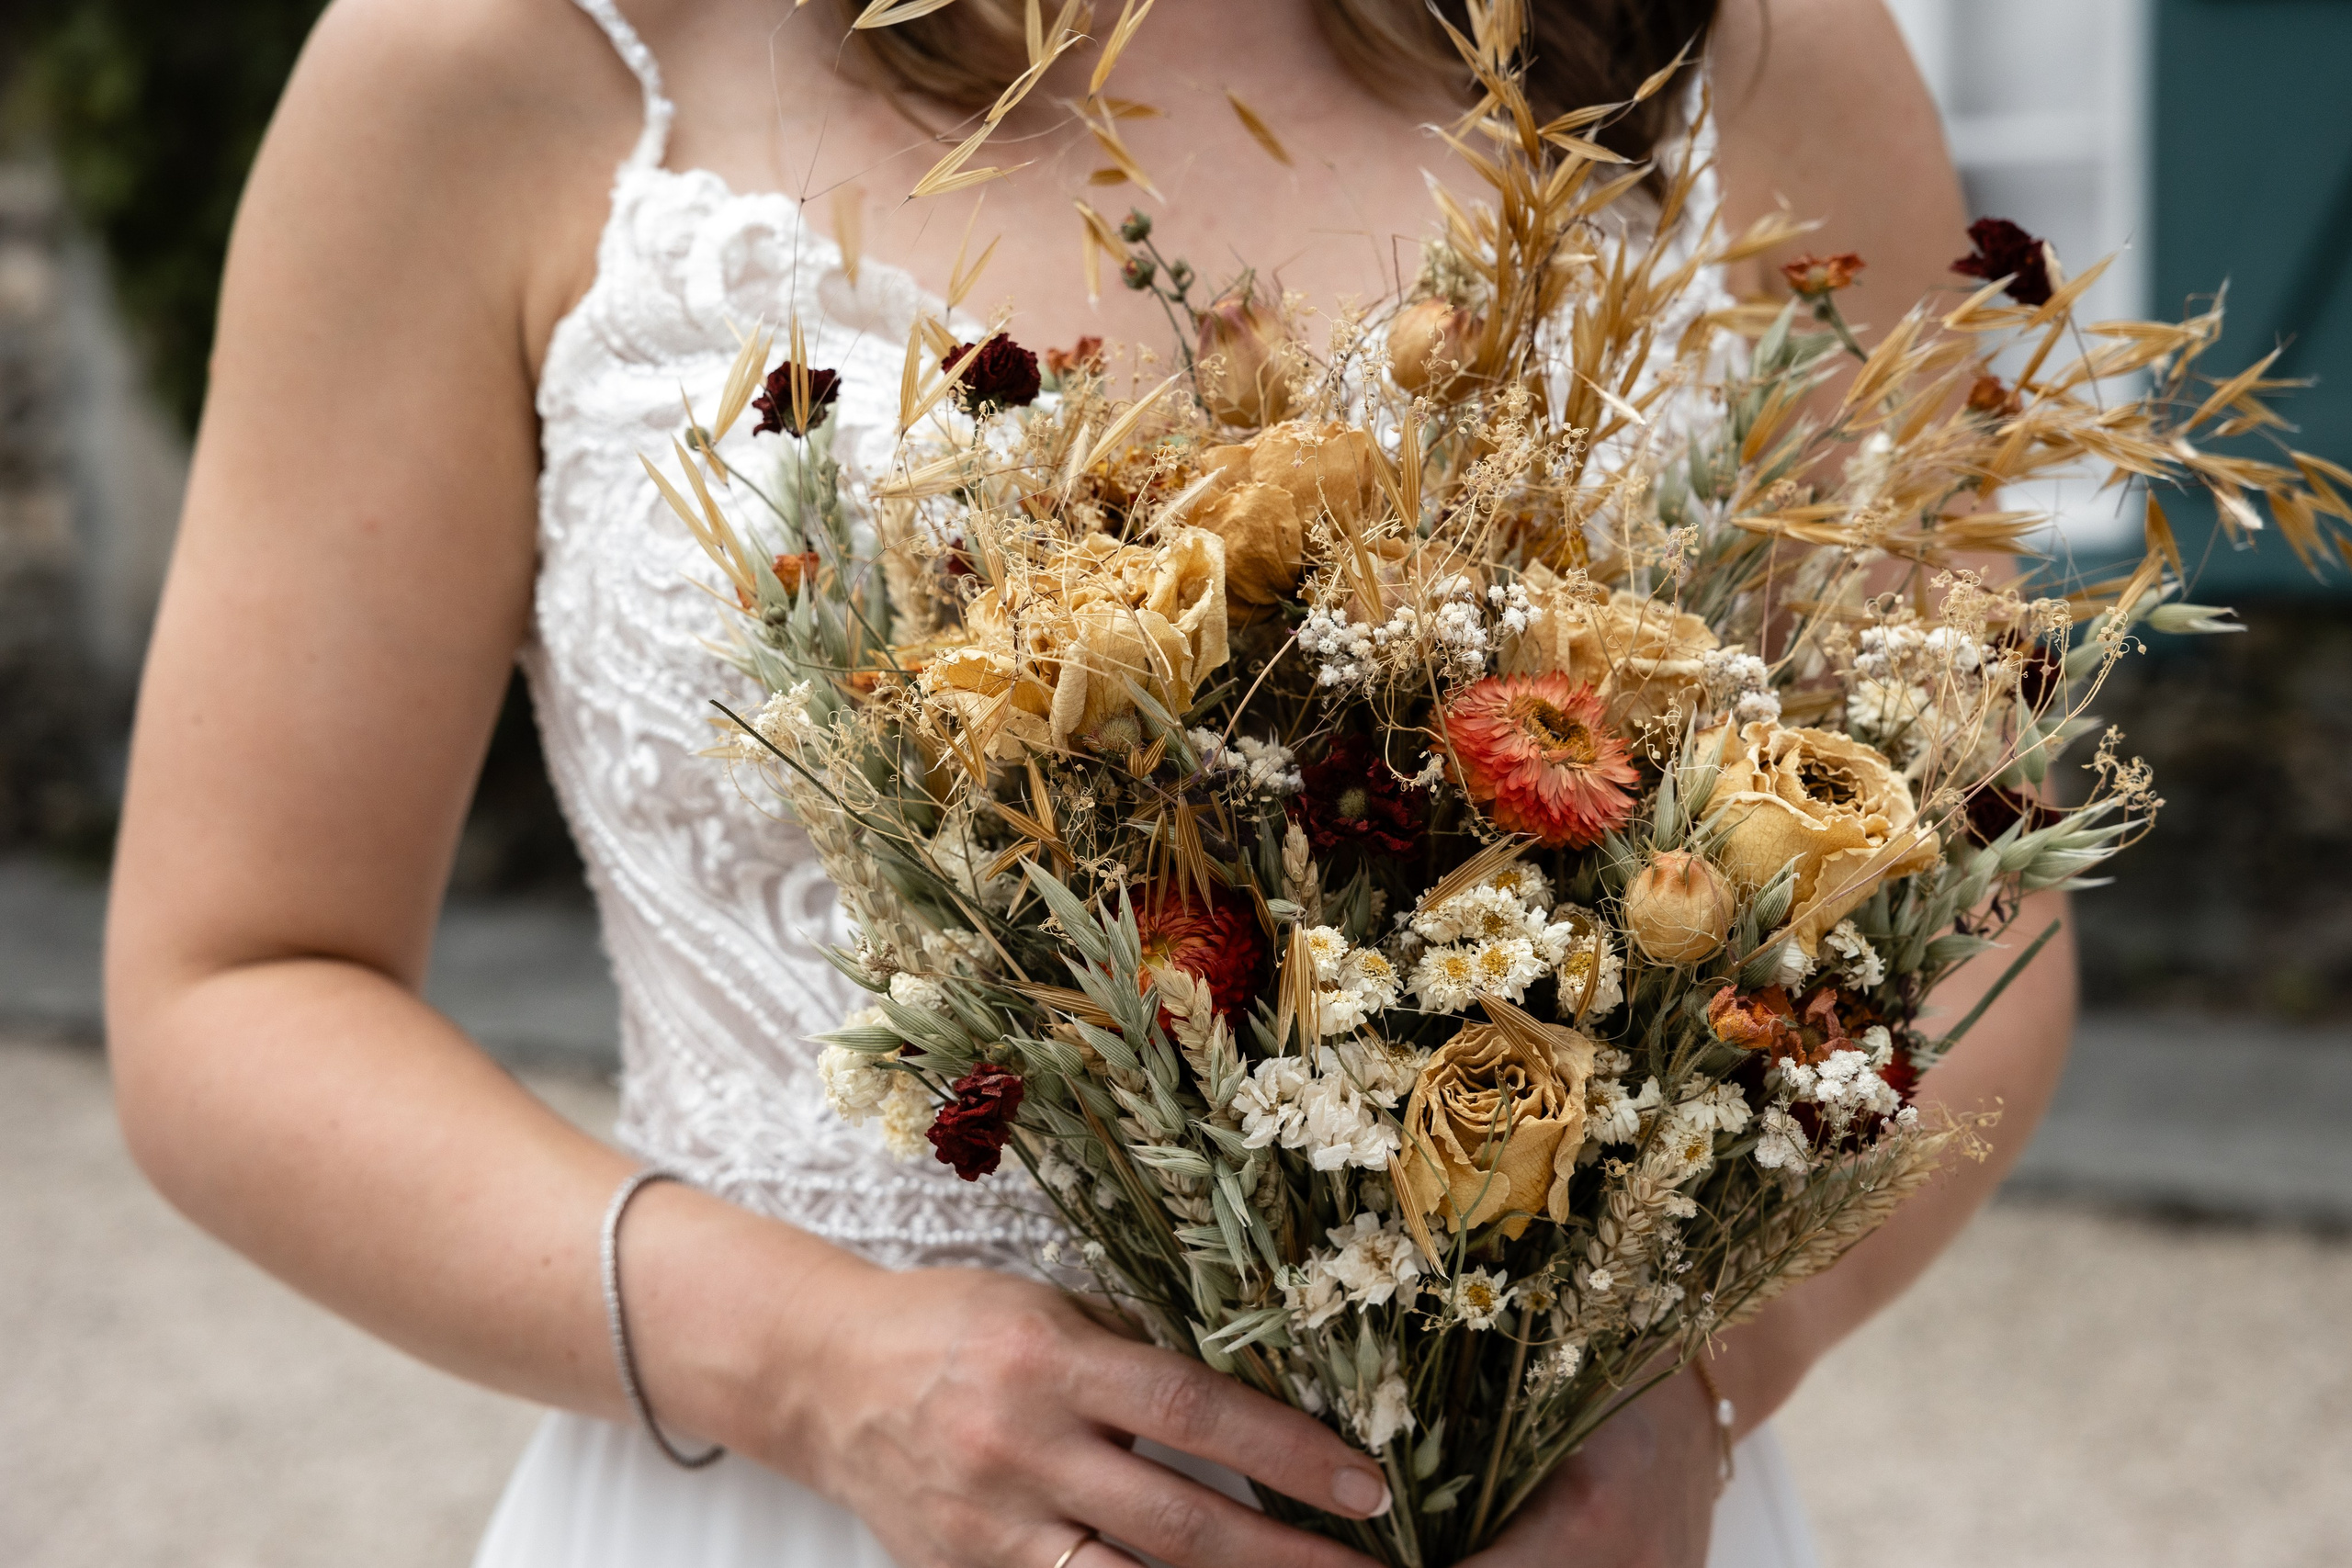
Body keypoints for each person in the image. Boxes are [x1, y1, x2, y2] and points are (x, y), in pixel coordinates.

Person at [105, 2, 2077, 1565]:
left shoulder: (1728, 48)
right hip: (788, 1513)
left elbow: (1973, 903)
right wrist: (805, 1361)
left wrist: (1696, 1387)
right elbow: (233, 981)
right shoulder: (499, 60)